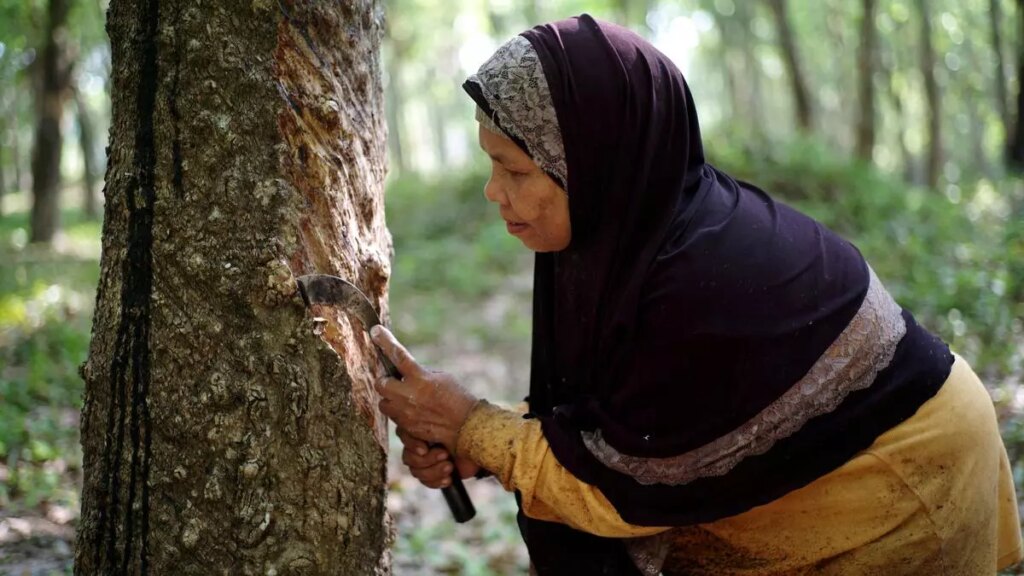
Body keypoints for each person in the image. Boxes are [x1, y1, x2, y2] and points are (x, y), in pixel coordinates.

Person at [371, 14, 1024, 575]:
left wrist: (474, 427)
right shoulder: (623, 243)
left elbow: (621, 487)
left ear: (593, 166)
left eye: (513, 169)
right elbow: (640, 413)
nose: (493, 191)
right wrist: (478, 438)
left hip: (902, 484)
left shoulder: (702, 280)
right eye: (491, 164)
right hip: (825, 467)